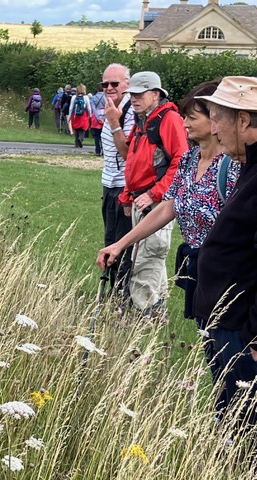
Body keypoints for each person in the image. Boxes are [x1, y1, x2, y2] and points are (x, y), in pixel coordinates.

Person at [97, 80, 239, 376]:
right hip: (199, 267)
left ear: (215, 120)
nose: (184, 122)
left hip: (229, 272)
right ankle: (223, 414)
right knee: (211, 349)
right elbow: (169, 206)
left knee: (233, 354)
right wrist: (121, 243)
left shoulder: (234, 166)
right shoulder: (190, 159)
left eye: (192, 117)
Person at [192, 76, 257, 420]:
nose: (213, 130)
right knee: (227, 418)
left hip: (242, 332)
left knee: (244, 426)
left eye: (218, 118)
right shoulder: (248, 166)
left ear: (243, 120)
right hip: (225, 321)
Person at [118, 71, 189, 317]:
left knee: (146, 259)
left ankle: (142, 317)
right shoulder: (144, 120)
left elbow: (181, 161)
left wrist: (155, 192)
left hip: (155, 203)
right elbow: (133, 160)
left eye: (139, 94)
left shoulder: (169, 120)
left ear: (155, 94)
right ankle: (157, 314)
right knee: (152, 258)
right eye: (132, 94)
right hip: (143, 200)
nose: (134, 99)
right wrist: (128, 196)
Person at [100, 63, 135, 294]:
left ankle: (122, 294)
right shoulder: (111, 106)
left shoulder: (130, 110)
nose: (109, 88)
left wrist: (114, 122)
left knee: (122, 243)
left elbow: (127, 153)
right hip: (109, 183)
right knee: (110, 239)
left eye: (115, 83)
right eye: (105, 84)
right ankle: (113, 290)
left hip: (124, 185)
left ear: (127, 85)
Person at [90, 84, 106, 155]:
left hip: (96, 117)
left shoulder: (94, 98)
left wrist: (98, 118)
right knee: (104, 135)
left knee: (96, 135)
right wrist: (104, 118)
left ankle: (97, 150)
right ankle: (104, 150)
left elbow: (93, 108)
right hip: (105, 116)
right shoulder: (106, 97)